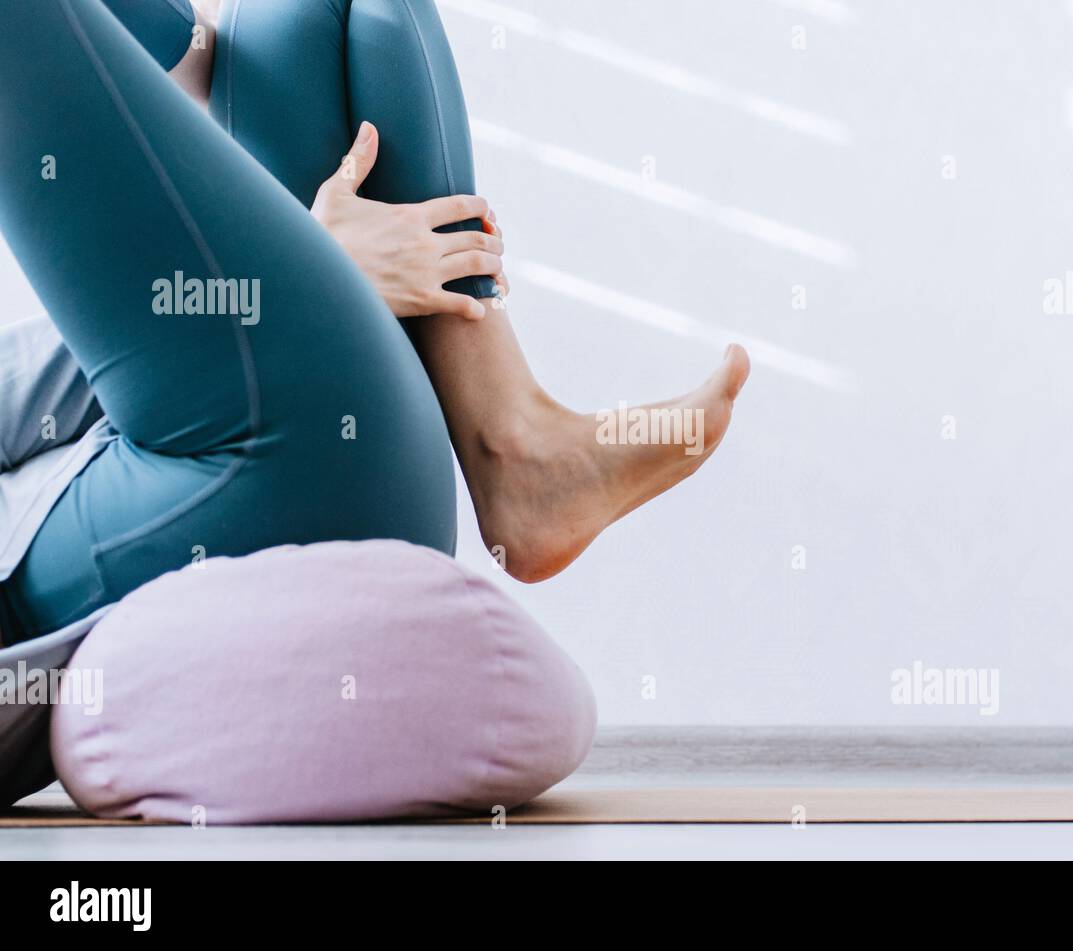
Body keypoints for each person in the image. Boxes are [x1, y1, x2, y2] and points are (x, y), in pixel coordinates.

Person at [0, 0, 749, 647]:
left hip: (357, 454)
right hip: (222, 488)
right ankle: (514, 450)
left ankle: (509, 435)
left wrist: (290, 261)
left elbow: (186, 77)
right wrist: (304, 265)